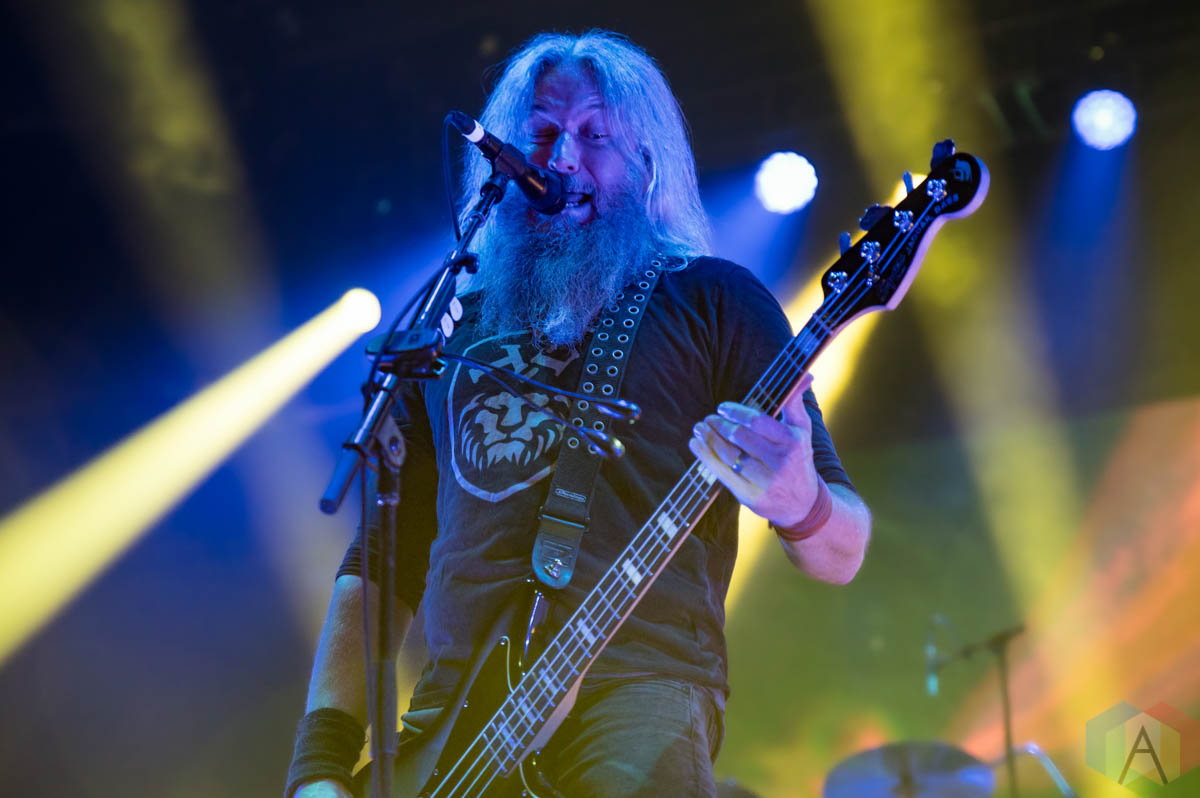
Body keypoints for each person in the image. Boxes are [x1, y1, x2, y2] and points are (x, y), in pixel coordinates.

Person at [287, 30, 871, 798]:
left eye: (596, 135)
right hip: (454, 721)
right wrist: (321, 764)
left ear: (648, 161)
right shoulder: (451, 326)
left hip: (636, 684)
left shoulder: (713, 300)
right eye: (540, 135)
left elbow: (843, 551)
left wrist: (801, 503)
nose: (562, 158)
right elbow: (381, 560)